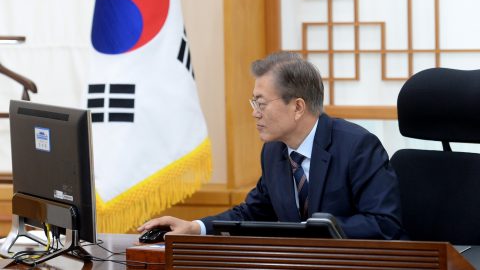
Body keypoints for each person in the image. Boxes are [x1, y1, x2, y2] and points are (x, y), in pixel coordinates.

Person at [138, 51, 406, 239]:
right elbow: (253, 211)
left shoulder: (357, 146)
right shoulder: (274, 151)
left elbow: (384, 223)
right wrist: (195, 227)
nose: (255, 112)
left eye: (261, 103)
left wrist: (311, 231)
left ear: (298, 107)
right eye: (253, 103)